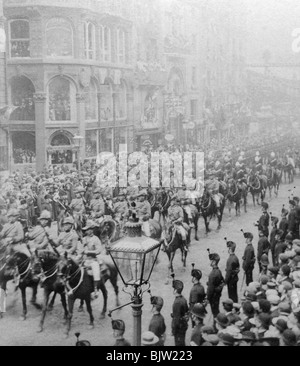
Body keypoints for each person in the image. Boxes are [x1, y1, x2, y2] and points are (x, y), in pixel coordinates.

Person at [79, 220, 103, 299]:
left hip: (93, 260)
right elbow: (80, 249)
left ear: (92, 230)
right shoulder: (83, 239)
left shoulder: (96, 239)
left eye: (89, 229)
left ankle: (95, 289)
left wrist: (88, 252)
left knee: (95, 271)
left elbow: (99, 250)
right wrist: (81, 250)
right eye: (86, 230)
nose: (87, 231)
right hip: (84, 260)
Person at [171, 278, 189, 346]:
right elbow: (186, 311)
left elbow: (176, 320)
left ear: (175, 290)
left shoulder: (177, 303)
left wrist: (173, 330)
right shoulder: (183, 299)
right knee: (182, 341)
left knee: (179, 343)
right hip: (183, 325)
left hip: (179, 328)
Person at [206, 252, 225, 318]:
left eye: (210, 261)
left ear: (213, 262)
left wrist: (208, 298)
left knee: (215, 312)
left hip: (213, 296)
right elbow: (222, 281)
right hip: (217, 295)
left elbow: (210, 289)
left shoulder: (212, 274)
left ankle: (217, 324)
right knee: (216, 310)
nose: (209, 262)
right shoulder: (218, 271)